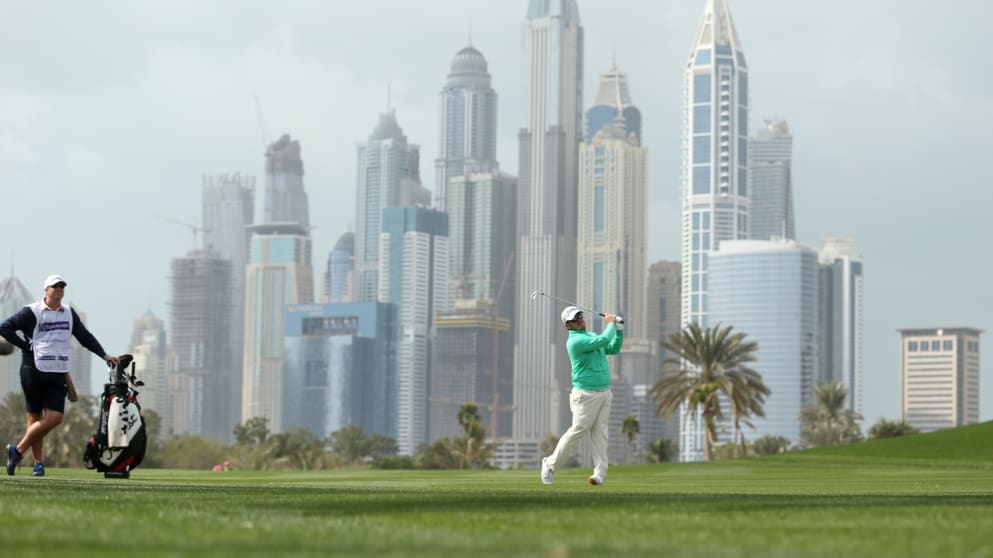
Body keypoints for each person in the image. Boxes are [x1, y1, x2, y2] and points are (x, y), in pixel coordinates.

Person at [0, 274, 118, 476]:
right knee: (34, 417)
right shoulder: (33, 311)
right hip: (33, 369)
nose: (59, 289)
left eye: (62, 286)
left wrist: (104, 355)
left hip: (58, 371)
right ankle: (38, 464)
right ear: (46, 290)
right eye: (55, 286)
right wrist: (26, 346)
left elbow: (85, 337)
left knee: (55, 417)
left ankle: (17, 451)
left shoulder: (69, 313)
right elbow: (5, 327)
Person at [540, 306, 623, 486]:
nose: (580, 320)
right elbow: (603, 339)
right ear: (567, 325)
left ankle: (599, 474)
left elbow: (612, 348)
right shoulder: (574, 342)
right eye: (575, 319)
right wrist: (610, 323)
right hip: (585, 394)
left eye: (580, 316)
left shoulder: (591, 336)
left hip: (604, 392)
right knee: (578, 430)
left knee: (601, 433)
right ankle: (550, 464)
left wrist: (619, 330)